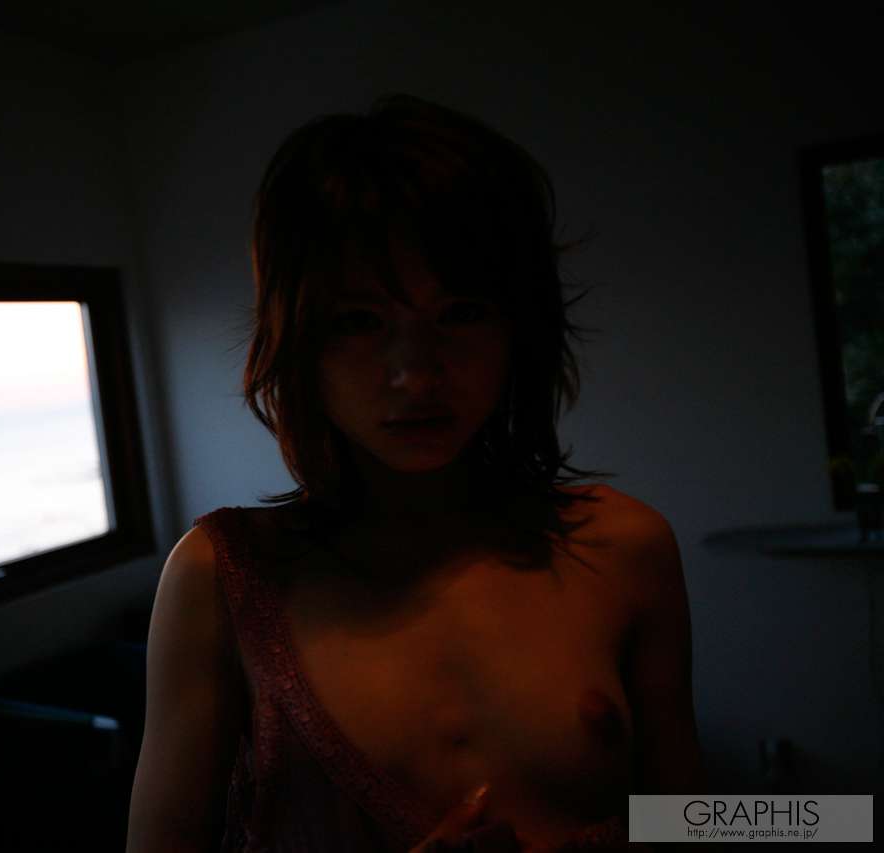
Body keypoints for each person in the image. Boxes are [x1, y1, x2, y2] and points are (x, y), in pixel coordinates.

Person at [126, 94, 705, 853]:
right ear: (299, 342)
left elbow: (697, 816)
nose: (417, 375)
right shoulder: (221, 577)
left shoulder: (626, 547)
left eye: (461, 312)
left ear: (517, 326)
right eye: (360, 322)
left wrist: (832, 820)